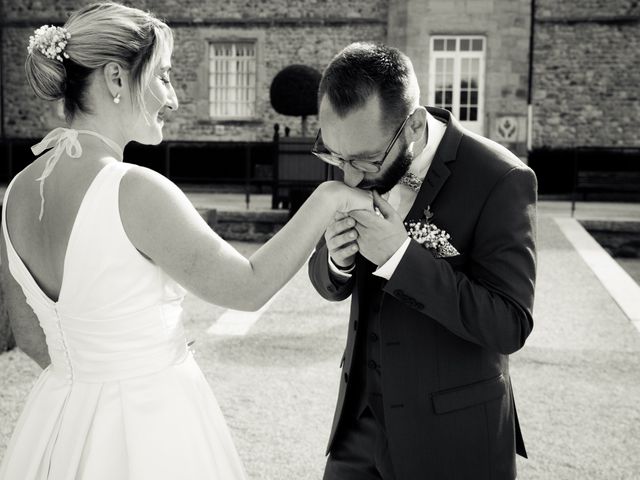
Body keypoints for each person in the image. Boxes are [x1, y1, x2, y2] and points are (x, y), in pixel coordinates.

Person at [0, 4, 372, 479]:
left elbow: (31, 336)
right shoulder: (133, 189)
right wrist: (328, 196)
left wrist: (105, 362)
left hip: (55, 422)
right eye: (163, 76)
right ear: (116, 78)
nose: (172, 99)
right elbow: (247, 286)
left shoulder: (17, 193)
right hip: (146, 421)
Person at [308, 42, 537, 479]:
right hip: (358, 429)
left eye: (367, 161)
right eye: (335, 157)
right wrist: (336, 262)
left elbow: (510, 323)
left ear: (412, 124)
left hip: (452, 437)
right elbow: (325, 279)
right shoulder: (355, 146)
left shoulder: (500, 178)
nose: (350, 176)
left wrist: (400, 257)